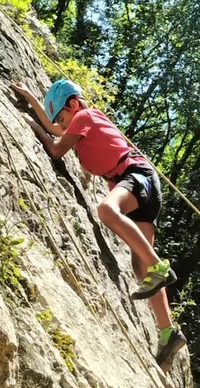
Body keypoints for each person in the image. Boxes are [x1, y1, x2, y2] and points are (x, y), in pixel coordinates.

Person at [10, 78, 187, 368]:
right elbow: (56, 129)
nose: (61, 124)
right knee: (140, 266)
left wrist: (32, 126)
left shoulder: (85, 116)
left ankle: (160, 267)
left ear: (73, 104)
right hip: (140, 184)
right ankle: (168, 333)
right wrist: (30, 96)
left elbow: (56, 148)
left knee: (106, 210)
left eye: (63, 117)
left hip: (134, 175)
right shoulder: (78, 121)